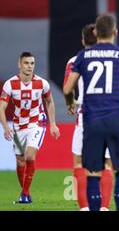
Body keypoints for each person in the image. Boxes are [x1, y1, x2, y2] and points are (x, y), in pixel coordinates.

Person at [63, 14, 119, 211]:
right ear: (115, 32)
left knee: (92, 171)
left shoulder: (83, 56)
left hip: (91, 119)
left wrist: (70, 103)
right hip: (115, 118)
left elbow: (67, 88)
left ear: (95, 32)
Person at [64, 24, 113, 211]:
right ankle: (105, 207)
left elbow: (67, 87)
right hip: (109, 114)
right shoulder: (112, 56)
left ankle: (84, 208)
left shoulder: (75, 60)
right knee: (107, 164)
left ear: (83, 40)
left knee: (79, 163)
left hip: (86, 116)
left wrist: (70, 102)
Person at [0, 52, 60, 204]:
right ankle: (25, 193)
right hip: (19, 125)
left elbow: (50, 102)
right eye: (26, 63)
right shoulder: (10, 84)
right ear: (19, 64)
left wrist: (52, 123)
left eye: (32, 63)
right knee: (20, 161)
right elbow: (2, 107)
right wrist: (6, 127)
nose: (29, 66)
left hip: (37, 123)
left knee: (29, 156)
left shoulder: (42, 83)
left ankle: (25, 194)